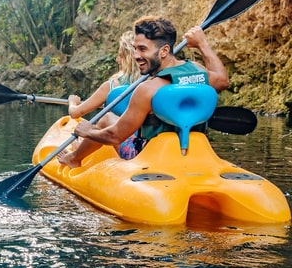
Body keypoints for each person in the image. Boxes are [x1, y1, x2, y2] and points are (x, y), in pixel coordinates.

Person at [59, 16, 229, 168]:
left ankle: (73, 158)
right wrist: (202, 45)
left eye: (142, 49)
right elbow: (222, 80)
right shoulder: (197, 71)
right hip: (192, 151)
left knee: (105, 120)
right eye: (135, 49)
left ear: (164, 51)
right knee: (111, 118)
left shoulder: (148, 89)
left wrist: (88, 131)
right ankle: (75, 156)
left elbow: (114, 137)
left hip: (151, 157)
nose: (135, 55)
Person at [67, 30, 140, 123]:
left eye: (120, 56)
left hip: (116, 134)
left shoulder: (112, 86)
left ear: (129, 58)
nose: (117, 60)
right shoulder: (149, 82)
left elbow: (75, 113)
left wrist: (72, 102)